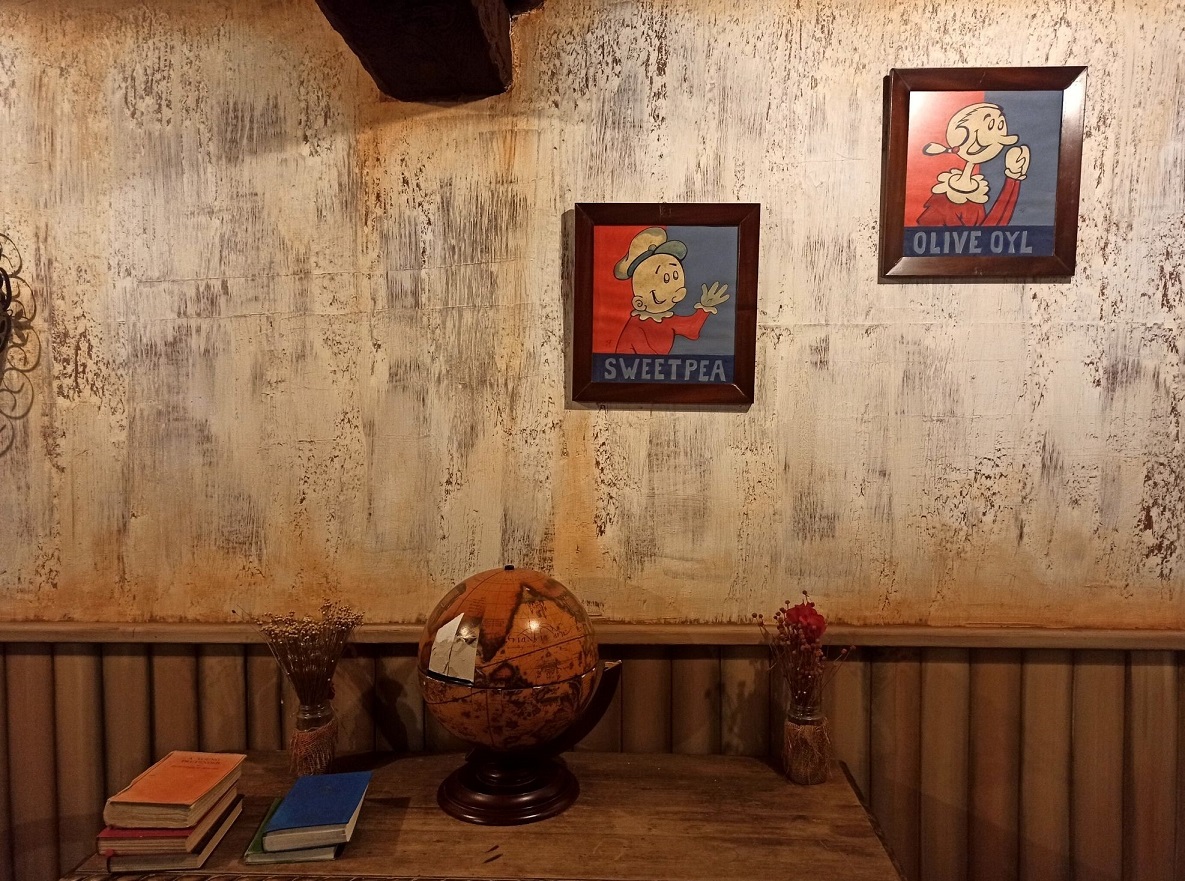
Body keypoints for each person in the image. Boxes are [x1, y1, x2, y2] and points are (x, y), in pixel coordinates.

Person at [612, 227, 729, 355]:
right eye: (666, 279)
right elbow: (645, 355)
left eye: (675, 276)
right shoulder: (637, 325)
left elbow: (691, 329)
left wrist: (705, 307)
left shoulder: (667, 320)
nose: (677, 293)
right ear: (639, 302)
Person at [916, 102, 1031, 227]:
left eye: (1000, 126)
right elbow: (986, 232)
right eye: (991, 125)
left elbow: (987, 233)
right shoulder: (946, 200)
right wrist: (1012, 178)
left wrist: (1013, 177)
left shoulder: (976, 194)